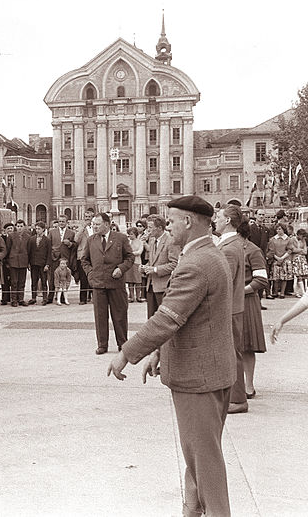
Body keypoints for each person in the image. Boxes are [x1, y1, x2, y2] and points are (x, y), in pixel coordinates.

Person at [107, 195, 235, 517]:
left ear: (188, 222)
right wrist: (162, 352)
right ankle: (191, 511)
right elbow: (195, 317)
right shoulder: (210, 254)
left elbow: (168, 317)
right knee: (198, 457)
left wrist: (127, 352)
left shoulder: (195, 263)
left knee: (204, 462)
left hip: (198, 378)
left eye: (173, 220)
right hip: (211, 370)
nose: (169, 225)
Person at [82, 212, 134, 354]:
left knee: (119, 315)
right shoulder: (91, 240)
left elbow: (130, 257)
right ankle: (102, 345)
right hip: (98, 284)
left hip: (116, 283)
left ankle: (122, 344)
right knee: (100, 316)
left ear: (106, 224)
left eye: (97, 224)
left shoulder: (121, 238)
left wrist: (121, 269)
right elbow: (84, 260)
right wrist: (90, 274)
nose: (94, 226)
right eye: (93, 224)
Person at [215, 205, 248, 415]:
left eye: (218, 217)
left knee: (231, 353)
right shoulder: (232, 244)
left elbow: (223, 283)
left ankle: (238, 398)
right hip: (233, 307)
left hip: (229, 308)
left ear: (227, 220)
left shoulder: (229, 247)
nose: (215, 220)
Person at [238, 218, 268, 399]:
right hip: (231, 302)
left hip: (247, 301)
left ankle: (249, 386)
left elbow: (261, 280)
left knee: (247, 347)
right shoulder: (225, 249)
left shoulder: (253, 250)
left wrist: (242, 290)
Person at [140, 214, 179, 319]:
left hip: (164, 287)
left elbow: (175, 264)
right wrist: (145, 267)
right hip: (151, 286)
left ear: (160, 228)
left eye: (150, 228)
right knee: (151, 320)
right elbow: (153, 261)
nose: (147, 231)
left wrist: (156, 270)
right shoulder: (152, 240)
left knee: (164, 320)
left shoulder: (171, 241)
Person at [47, 215, 77, 304]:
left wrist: (70, 244)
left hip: (65, 258)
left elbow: (75, 245)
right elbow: (48, 245)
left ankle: (63, 297)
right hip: (54, 257)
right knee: (53, 277)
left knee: (64, 278)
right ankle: (50, 296)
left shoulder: (71, 233)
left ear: (67, 222)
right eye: (60, 221)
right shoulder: (52, 232)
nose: (61, 223)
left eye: (63, 221)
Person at [5, 220, 30, 307]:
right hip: (13, 261)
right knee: (14, 281)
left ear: (24, 227)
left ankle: (21, 299)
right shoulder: (11, 236)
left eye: (21, 226)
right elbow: (7, 249)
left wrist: (28, 262)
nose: (19, 228)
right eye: (18, 226)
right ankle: (14, 299)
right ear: (16, 227)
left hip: (23, 261)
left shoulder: (27, 237)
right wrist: (7, 261)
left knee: (22, 281)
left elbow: (29, 250)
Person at [74, 211, 95, 304]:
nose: (87, 218)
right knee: (83, 278)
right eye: (86, 216)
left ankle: (93, 297)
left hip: (94, 254)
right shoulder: (80, 228)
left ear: (92, 217)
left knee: (94, 276)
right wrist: (83, 228)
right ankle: (83, 299)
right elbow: (76, 240)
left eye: (89, 217)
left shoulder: (95, 227)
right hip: (83, 255)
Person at [267, 224, 292, 299]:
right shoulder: (272, 239)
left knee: (284, 277)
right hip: (275, 259)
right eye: (277, 229)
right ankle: (275, 292)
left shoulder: (288, 239)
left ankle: (282, 293)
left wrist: (282, 258)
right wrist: (277, 258)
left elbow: (290, 249)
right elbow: (271, 250)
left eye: (280, 229)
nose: (278, 230)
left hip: (285, 259)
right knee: (275, 277)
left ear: (284, 229)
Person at [28, 221, 51, 306]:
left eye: (39, 229)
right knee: (34, 281)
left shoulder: (47, 240)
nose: (37, 230)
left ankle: (45, 298)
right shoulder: (32, 239)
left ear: (43, 230)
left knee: (44, 281)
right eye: (36, 229)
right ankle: (33, 297)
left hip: (43, 264)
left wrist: (47, 264)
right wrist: (29, 263)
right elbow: (29, 252)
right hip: (34, 264)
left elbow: (49, 253)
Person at [124, 228, 144, 303]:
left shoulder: (140, 242)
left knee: (137, 280)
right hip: (129, 262)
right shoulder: (128, 242)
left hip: (137, 262)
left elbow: (139, 251)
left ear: (135, 234)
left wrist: (131, 253)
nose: (130, 235)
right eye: (129, 234)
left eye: (131, 234)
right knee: (130, 280)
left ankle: (138, 296)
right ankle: (131, 297)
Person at [291, 228, 308, 297]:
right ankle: (299, 292)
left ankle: (302, 291)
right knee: (298, 276)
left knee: (304, 276)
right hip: (295, 259)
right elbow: (293, 249)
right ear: (298, 234)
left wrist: (300, 250)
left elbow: (305, 251)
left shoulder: (303, 241)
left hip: (302, 259)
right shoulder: (292, 239)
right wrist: (300, 250)